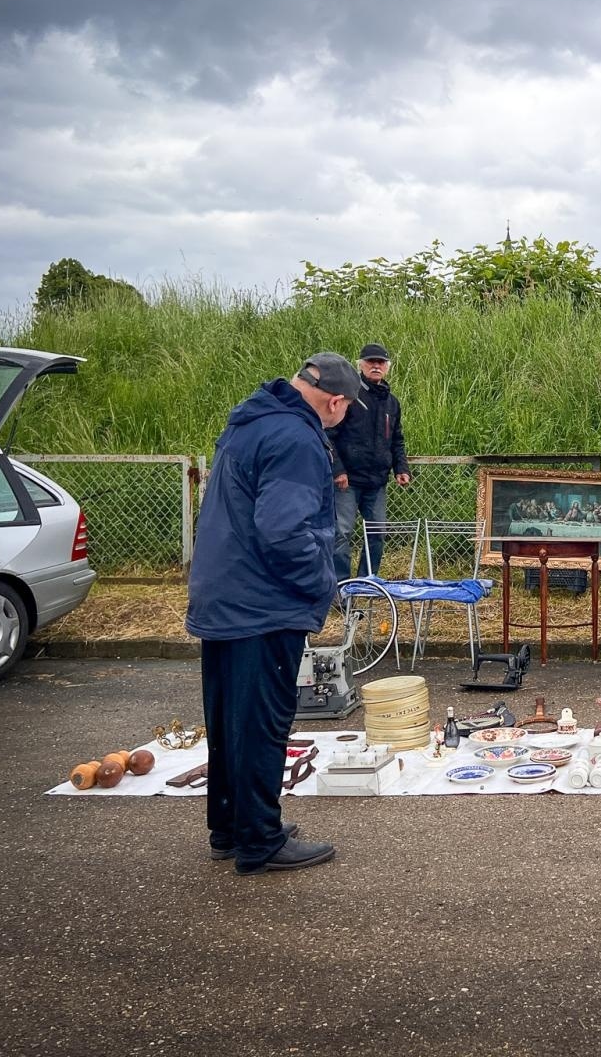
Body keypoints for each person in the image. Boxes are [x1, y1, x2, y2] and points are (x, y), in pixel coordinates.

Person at [185, 353, 359, 875]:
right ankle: (259, 839)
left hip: (224, 595)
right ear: (335, 401)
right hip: (262, 603)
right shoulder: (296, 439)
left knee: (229, 721)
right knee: (262, 723)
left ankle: (230, 828)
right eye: (346, 410)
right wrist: (320, 585)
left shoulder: (249, 424)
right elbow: (284, 530)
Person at [330, 342, 411, 580]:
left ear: (387, 367)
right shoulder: (348, 396)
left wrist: (401, 467)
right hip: (347, 481)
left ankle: (367, 582)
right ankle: (341, 587)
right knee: (341, 533)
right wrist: (338, 469)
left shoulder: (391, 402)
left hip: (377, 482)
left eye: (381, 362)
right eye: (370, 362)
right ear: (360, 365)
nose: (376, 366)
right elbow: (329, 435)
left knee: (377, 533)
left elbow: (397, 439)